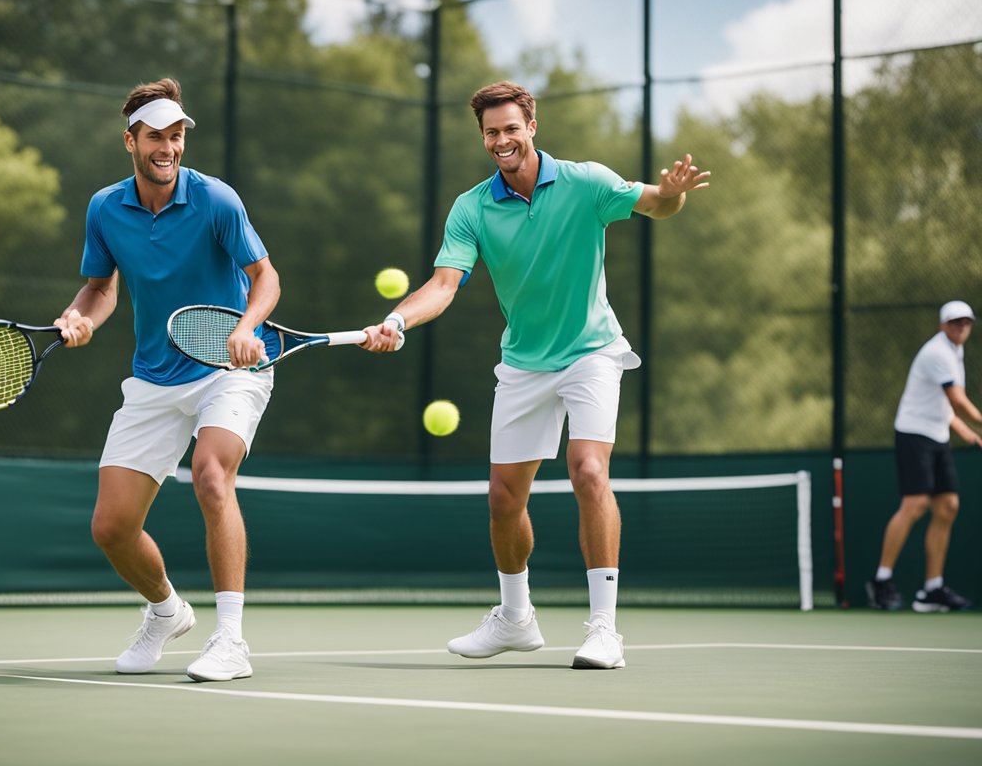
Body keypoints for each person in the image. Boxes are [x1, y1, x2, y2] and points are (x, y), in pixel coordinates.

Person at [362, 81, 709, 669]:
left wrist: (674, 194)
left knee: (588, 469)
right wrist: (398, 319)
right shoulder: (471, 207)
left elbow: (657, 203)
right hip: (524, 361)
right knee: (503, 497)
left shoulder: (586, 182)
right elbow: (444, 285)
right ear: (484, 138)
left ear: (532, 127)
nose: (502, 141)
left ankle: (603, 629)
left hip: (591, 351)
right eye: (491, 133)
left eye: (510, 129)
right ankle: (516, 620)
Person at [55, 78, 280, 681]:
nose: (169, 147)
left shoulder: (216, 200)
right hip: (154, 378)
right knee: (111, 527)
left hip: (230, 369)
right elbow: (101, 289)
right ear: (130, 140)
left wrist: (248, 325)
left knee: (211, 476)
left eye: (177, 136)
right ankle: (165, 611)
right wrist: (81, 317)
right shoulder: (105, 208)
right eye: (156, 135)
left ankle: (230, 640)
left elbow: (266, 278)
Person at [865, 300, 980, 613]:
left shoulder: (956, 351)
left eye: (966, 323)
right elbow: (956, 400)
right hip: (914, 432)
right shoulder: (938, 353)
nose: (961, 328)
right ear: (943, 326)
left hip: (938, 433)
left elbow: (943, 404)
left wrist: (963, 431)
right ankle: (881, 580)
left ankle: (932, 589)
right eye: (955, 323)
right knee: (915, 505)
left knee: (947, 506)